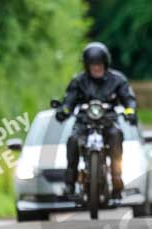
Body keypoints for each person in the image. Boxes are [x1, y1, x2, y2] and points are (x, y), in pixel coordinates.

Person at [55, 42, 137, 197]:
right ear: (87, 66)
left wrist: (130, 111)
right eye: (93, 65)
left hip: (109, 121)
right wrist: (64, 110)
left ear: (105, 64)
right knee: (73, 140)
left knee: (116, 135)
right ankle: (69, 183)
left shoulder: (117, 80)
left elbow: (128, 99)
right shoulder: (78, 81)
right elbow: (69, 101)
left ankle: (116, 177)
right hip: (84, 122)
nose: (97, 68)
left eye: (99, 64)